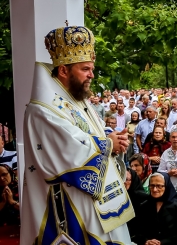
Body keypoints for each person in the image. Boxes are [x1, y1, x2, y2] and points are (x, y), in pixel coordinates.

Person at [21, 26, 134, 245]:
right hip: (68, 202)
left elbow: (93, 132)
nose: (92, 74)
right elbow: (68, 149)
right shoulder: (42, 109)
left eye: (92, 68)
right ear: (63, 70)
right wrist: (108, 144)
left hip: (95, 201)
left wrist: (113, 138)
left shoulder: (77, 100)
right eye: (85, 69)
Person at [139, 172, 177, 245]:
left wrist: (161, 243)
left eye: (159, 186)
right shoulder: (144, 206)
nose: (155, 189)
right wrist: (146, 241)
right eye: (152, 186)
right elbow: (138, 230)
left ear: (166, 186)